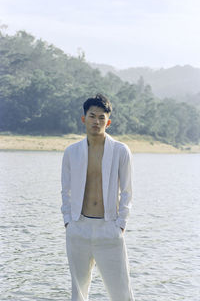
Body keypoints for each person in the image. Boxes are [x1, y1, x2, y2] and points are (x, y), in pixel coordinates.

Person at [61, 93, 134, 301]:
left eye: (102, 117)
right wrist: (68, 221)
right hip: (78, 228)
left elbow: (128, 191)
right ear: (84, 119)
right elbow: (65, 190)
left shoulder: (121, 151)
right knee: (79, 293)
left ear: (108, 122)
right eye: (92, 116)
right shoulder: (71, 152)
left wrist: (120, 224)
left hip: (109, 228)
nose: (97, 121)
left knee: (122, 294)